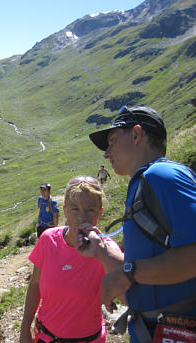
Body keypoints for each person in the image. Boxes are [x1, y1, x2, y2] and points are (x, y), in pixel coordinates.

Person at [89, 105, 196, 342]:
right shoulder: (144, 183)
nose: (107, 153)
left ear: (137, 135)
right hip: (155, 330)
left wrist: (126, 274)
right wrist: (100, 250)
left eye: (112, 140)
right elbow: (149, 271)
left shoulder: (161, 176)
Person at [20, 176, 123, 343]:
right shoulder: (48, 239)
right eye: (75, 209)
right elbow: (35, 284)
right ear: (65, 210)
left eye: (90, 210)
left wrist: (102, 253)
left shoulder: (107, 249)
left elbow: (129, 295)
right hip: (46, 337)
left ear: (100, 213)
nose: (82, 217)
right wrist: (25, 330)